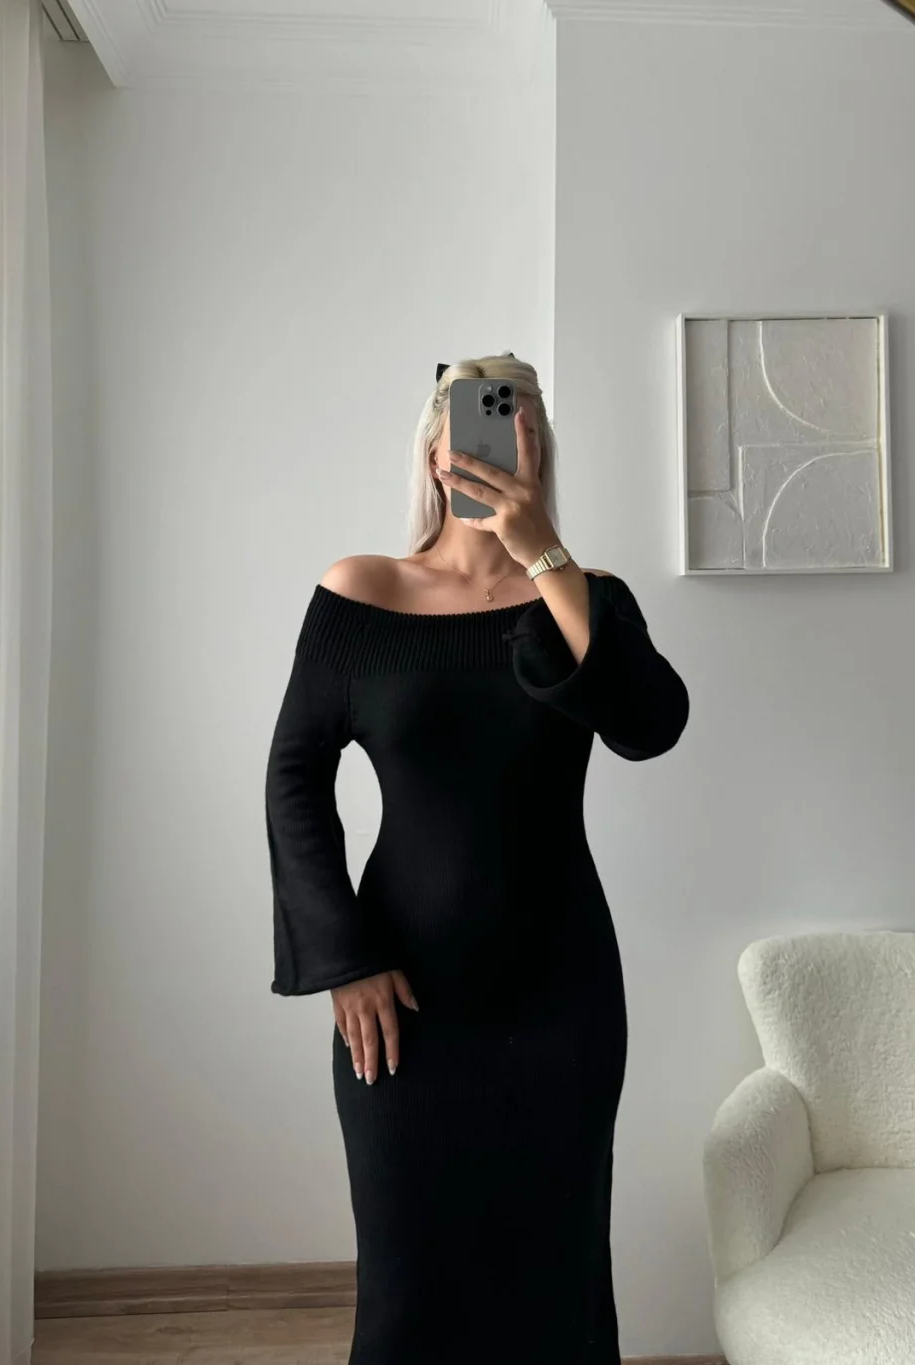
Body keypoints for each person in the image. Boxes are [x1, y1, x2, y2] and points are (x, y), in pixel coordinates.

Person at [264, 354, 689, 1365]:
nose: (501, 443)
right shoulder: (362, 592)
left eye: (520, 423)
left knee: (557, 1272)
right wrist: (343, 959)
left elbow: (650, 725)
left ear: (541, 450)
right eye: (481, 422)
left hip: (561, 995)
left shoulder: (586, 596)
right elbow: (294, 777)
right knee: (409, 1280)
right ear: (434, 450)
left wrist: (544, 557)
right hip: (405, 994)